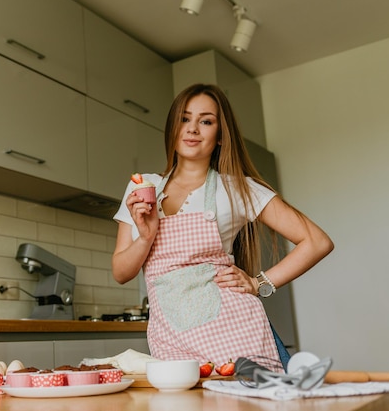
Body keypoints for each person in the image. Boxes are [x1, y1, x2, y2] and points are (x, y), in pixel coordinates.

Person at [112, 84, 333, 371]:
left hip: (236, 337)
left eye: (206, 121)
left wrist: (258, 283)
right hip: (171, 342)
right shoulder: (144, 188)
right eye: (184, 119)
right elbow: (121, 272)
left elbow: (317, 241)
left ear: (219, 136)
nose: (192, 129)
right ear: (173, 128)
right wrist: (146, 235)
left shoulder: (238, 189)